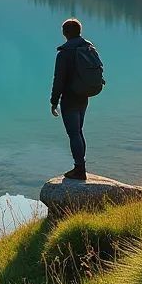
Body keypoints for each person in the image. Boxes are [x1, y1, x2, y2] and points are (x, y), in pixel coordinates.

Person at [50, 18, 94, 181]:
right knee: (79, 131)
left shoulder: (64, 54)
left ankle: (79, 169)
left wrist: (54, 101)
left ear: (65, 33)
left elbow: (58, 79)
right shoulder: (88, 48)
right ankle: (80, 166)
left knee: (74, 133)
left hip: (69, 99)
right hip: (84, 95)